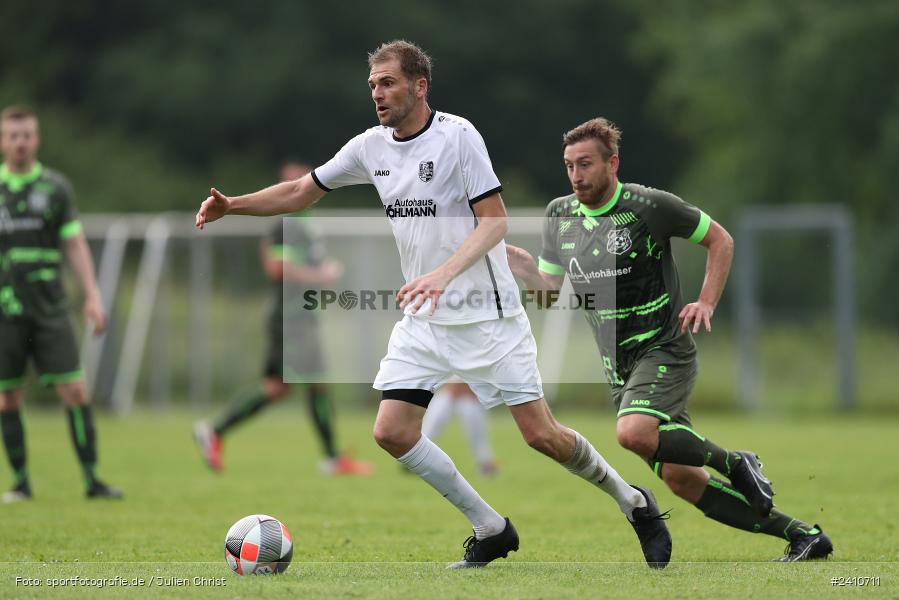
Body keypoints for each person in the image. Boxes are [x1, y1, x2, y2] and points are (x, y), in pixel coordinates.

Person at [196, 40, 672, 569]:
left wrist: (443, 274)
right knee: (391, 432)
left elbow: (495, 221)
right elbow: (299, 193)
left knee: (542, 436)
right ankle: (490, 528)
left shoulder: (458, 136)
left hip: (489, 318)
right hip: (425, 319)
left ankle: (633, 503)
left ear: (419, 86)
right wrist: (233, 205)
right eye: (373, 84)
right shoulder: (368, 148)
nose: (377, 92)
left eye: (388, 82)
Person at [506, 117, 833, 562]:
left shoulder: (649, 206)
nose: (576, 176)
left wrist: (706, 302)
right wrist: (519, 265)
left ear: (612, 163)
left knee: (632, 432)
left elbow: (720, 239)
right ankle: (804, 536)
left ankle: (737, 463)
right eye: (569, 166)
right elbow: (548, 291)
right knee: (682, 480)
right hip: (620, 367)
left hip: (664, 349)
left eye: (585, 164)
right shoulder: (559, 215)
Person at [194, 160, 373, 476]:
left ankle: (331, 457)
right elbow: (276, 269)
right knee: (287, 386)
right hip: (290, 319)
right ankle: (216, 431)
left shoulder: (305, 222)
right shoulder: (284, 224)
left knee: (303, 385)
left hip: (302, 317)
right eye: (292, 183)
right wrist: (321, 275)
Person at [0, 105, 122, 501]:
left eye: (27, 136)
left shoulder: (55, 188)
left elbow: (73, 242)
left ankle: (92, 479)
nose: (20, 143)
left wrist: (91, 294)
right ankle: (20, 482)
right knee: (7, 396)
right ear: (3, 141)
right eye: (13, 136)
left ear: (37, 140)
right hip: (5, 310)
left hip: (50, 306)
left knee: (75, 391)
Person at [422, 382, 498, 477]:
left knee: (476, 429)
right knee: (430, 424)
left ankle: (486, 464)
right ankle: (416, 458)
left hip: (470, 396)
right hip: (449, 393)